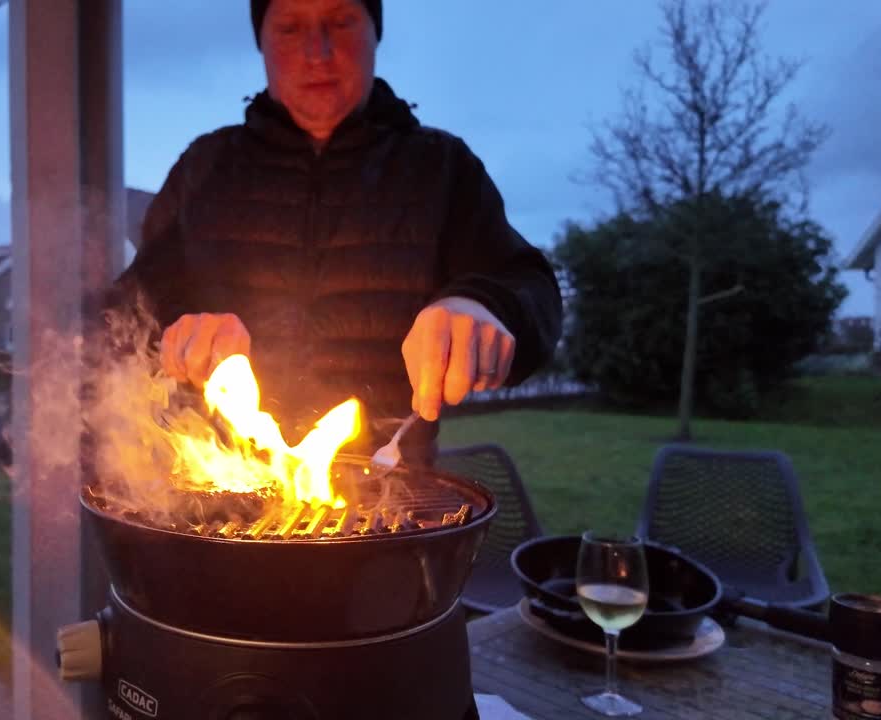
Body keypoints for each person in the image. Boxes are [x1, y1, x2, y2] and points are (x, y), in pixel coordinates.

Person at [112, 0, 563, 465]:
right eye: (290, 27)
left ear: (375, 32)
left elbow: (533, 290)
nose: (317, 51)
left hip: (392, 498)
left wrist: (483, 304)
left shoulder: (441, 168)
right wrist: (178, 328)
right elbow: (130, 309)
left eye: (340, 22)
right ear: (261, 43)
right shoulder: (205, 168)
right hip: (221, 491)